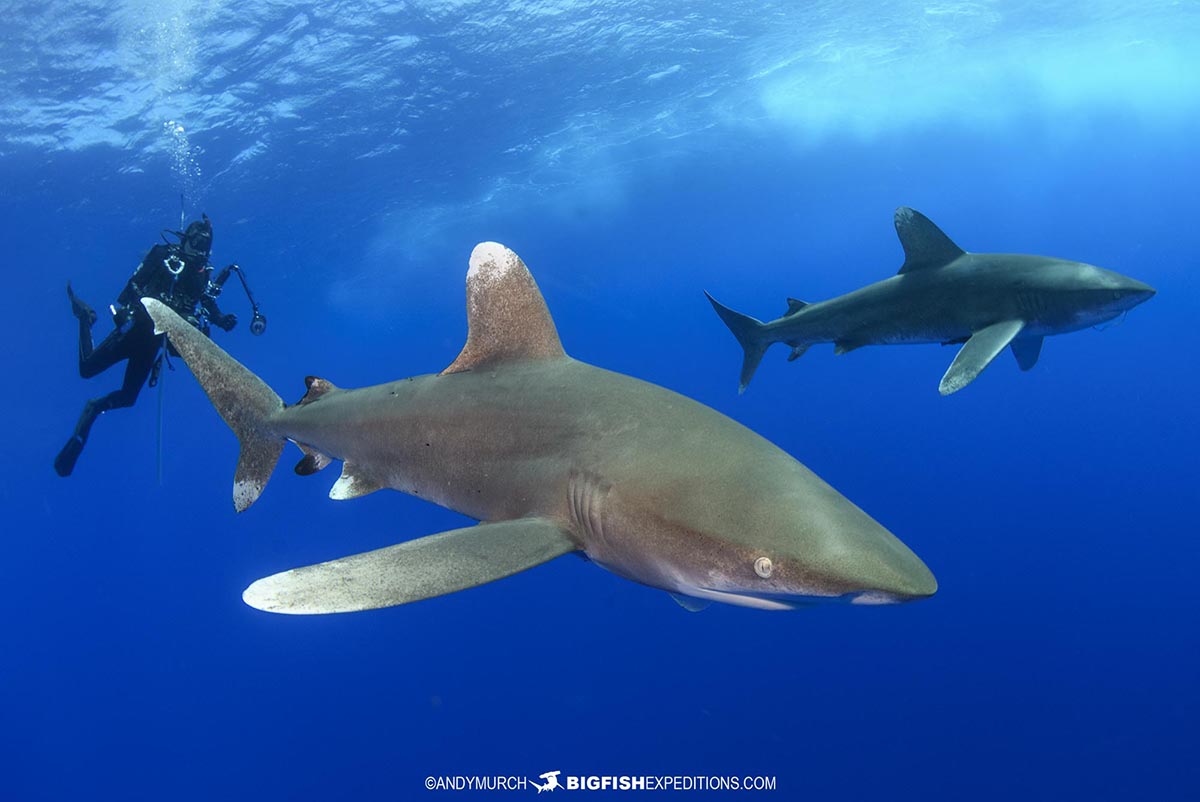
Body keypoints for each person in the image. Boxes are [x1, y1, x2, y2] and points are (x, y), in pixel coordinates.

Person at [55, 214, 238, 477]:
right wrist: (136, 310)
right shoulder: (164, 256)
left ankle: (94, 408)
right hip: (135, 330)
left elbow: (207, 302)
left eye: (205, 247)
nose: (200, 251)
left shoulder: (201, 275)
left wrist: (220, 320)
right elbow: (132, 286)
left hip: (155, 342)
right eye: (196, 244)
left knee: (128, 398)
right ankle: (86, 317)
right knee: (87, 370)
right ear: (186, 240)